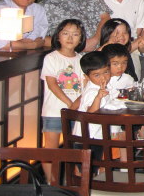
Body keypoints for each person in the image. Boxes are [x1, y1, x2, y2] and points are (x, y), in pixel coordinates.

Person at [40, 19, 85, 182]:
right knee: (51, 150)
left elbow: (85, 86)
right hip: (54, 111)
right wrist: (69, 104)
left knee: (76, 149)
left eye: (75, 34)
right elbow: (52, 84)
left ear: (81, 38)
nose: (70, 38)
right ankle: (51, 183)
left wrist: (76, 106)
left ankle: (75, 183)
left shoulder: (82, 59)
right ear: (58, 36)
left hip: (77, 112)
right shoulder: (51, 58)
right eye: (66, 33)